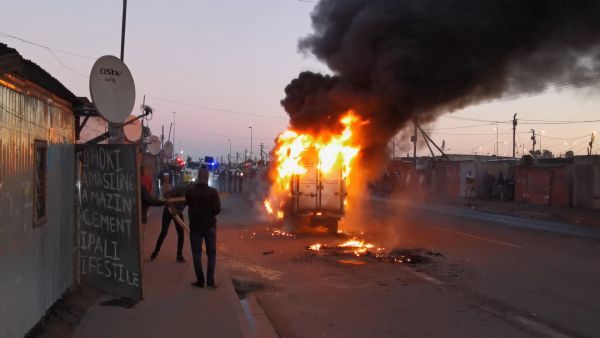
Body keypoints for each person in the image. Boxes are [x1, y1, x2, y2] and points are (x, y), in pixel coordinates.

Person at [186, 166, 221, 288]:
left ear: (198, 177)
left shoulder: (190, 191)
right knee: (211, 254)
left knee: (197, 255)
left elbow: (186, 203)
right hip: (210, 226)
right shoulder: (213, 192)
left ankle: (200, 281)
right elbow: (217, 210)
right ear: (207, 178)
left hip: (195, 227)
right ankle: (210, 281)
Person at [151, 175, 187, 262]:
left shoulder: (192, 195)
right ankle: (155, 252)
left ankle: (179, 255)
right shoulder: (180, 188)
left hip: (178, 213)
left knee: (181, 233)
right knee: (164, 232)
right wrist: (172, 208)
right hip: (168, 210)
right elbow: (167, 195)